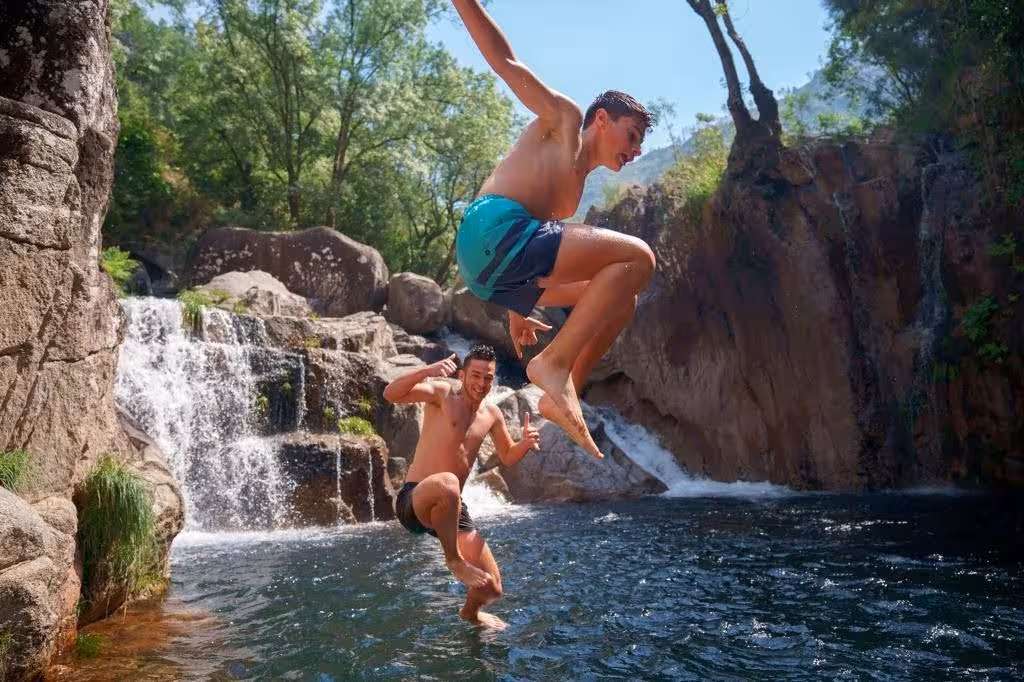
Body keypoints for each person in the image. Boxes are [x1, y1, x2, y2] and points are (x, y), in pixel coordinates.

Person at [450, 0, 657, 460]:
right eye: (632, 135)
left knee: (624, 297)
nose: (636, 150)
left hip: (496, 272)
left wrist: (516, 310)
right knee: (639, 258)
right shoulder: (563, 120)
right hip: (488, 229)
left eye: (641, 144)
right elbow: (505, 62)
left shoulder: (574, 192)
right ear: (601, 119)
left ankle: (563, 393)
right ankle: (553, 364)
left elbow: (545, 248)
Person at [383, 344, 541, 630]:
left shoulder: (492, 414)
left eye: (488, 377)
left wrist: (525, 444)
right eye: (476, 375)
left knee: (491, 588)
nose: (481, 383)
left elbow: (506, 456)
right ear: (463, 374)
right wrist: (426, 372)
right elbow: (390, 394)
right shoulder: (442, 393)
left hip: (451, 508)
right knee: (448, 481)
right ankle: (453, 560)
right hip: (417, 500)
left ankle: (470, 613)